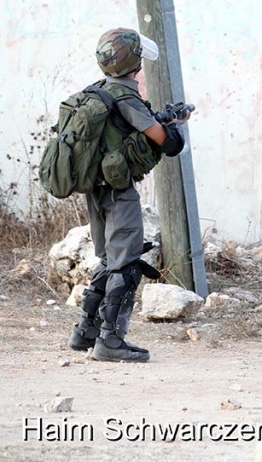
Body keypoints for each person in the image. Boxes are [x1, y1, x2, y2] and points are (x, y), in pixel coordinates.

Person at [67, 27, 190, 363]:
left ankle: (85, 332)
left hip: (95, 192)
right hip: (119, 193)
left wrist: (160, 117)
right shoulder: (126, 97)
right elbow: (164, 141)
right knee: (126, 264)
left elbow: (120, 135)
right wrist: (175, 124)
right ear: (134, 62)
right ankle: (111, 341)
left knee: (108, 260)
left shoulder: (98, 92)